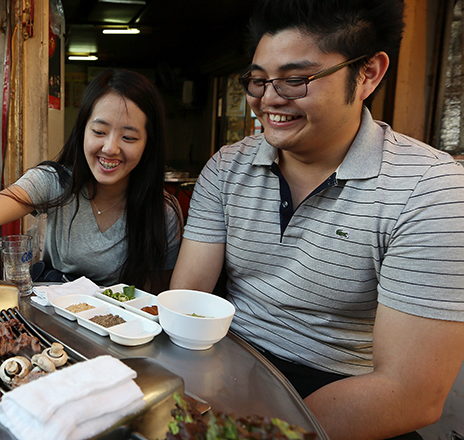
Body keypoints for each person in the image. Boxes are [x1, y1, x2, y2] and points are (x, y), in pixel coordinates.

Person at [170, 1, 464, 439]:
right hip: (227, 364)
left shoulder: (431, 190)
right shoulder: (228, 167)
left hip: (348, 393)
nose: (268, 100)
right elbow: (186, 299)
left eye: (294, 80)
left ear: (368, 74)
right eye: (259, 80)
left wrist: (253, 431)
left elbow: (409, 392)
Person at [0, 69, 182, 292]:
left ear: (149, 143)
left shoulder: (163, 212)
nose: (110, 148)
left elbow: (156, 296)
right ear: (82, 130)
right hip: (56, 321)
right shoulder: (55, 181)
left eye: (129, 137)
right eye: (98, 131)